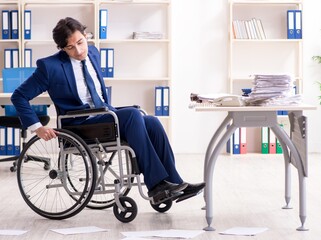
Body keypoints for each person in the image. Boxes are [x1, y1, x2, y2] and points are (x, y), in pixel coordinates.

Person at [11, 17, 205, 204]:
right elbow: (19, 96)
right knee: (131, 115)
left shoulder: (93, 52)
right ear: (62, 48)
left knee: (152, 121)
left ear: (86, 35)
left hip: (104, 116)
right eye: (70, 47)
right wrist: (37, 127)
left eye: (80, 42)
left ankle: (175, 182)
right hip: (80, 125)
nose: (79, 51)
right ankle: (156, 185)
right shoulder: (49, 67)